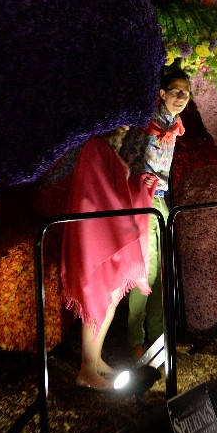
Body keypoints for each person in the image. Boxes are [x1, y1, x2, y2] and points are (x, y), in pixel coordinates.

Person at [61, 127, 157, 389]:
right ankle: (87, 369)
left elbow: (116, 192)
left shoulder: (107, 150)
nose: (126, 126)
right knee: (99, 299)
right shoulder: (95, 148)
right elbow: (96, 193)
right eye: (121, 120)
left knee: (111, 298)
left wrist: (139, 186)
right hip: (98, 235)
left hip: (106, 233)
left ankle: (94, 360)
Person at [119, 68, 190, 361]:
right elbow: (126, 161)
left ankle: (159, 337)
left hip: (161, 200)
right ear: (162, 93)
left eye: (186, 93)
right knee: (145, 269)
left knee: (162, 271)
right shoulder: (145, 123)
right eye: (176, 91)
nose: (181, 97)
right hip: (142, 200)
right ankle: (135, 339)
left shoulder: (173, 124)